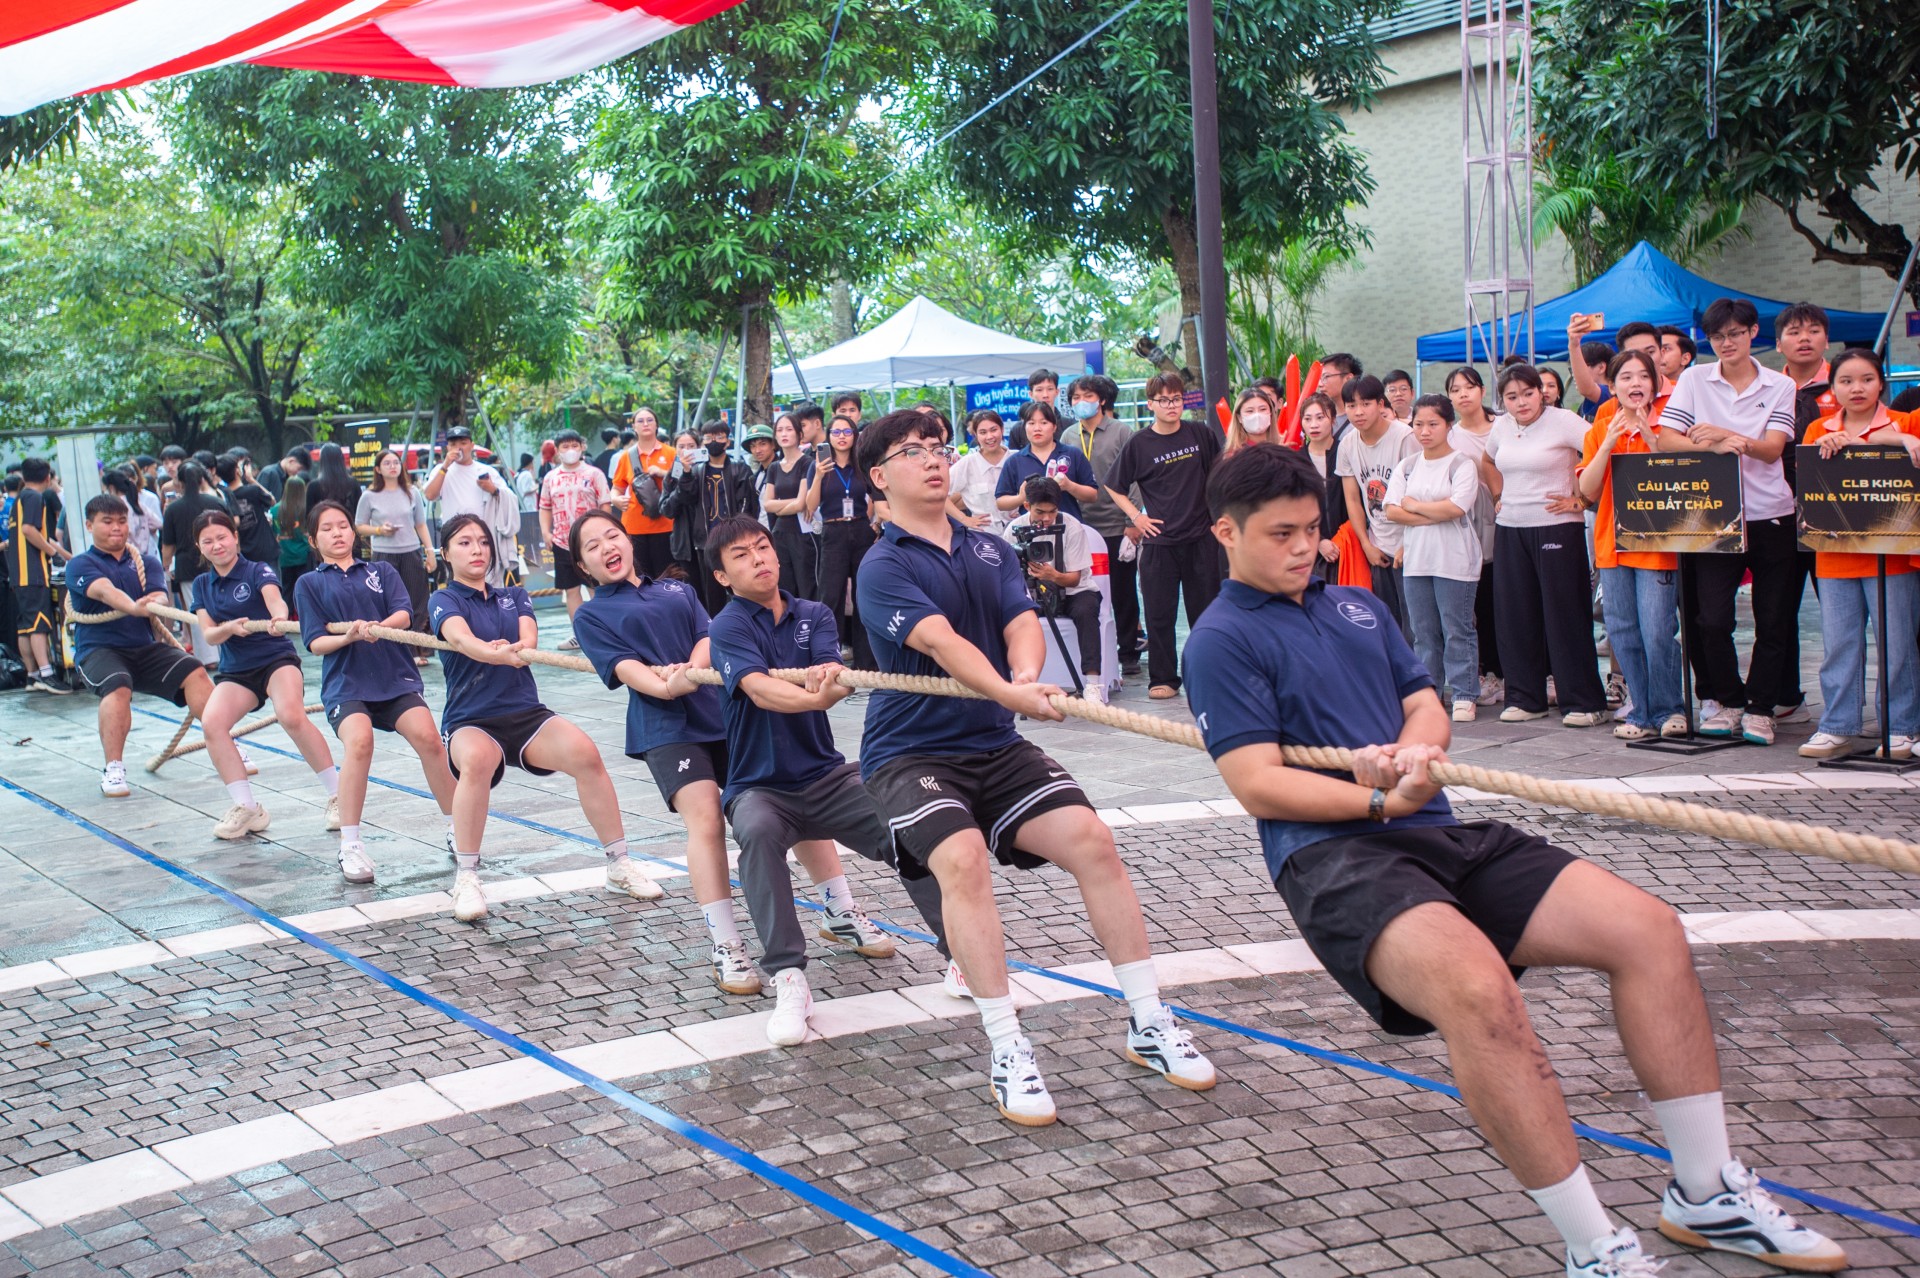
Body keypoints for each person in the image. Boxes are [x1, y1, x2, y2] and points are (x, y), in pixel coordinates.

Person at [1184, 442, 1847, 1278]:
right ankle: (1594, 1248)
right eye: (1281, 534)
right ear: (1225, 533)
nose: (1303, 549)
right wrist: (1382, 798)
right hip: (1338, 858)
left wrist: (1414, 759)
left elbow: (1423, 702)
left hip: (1437, 829)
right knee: (1480, 995)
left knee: (1649, 931)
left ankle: (1707, 1194)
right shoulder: (1219, 639)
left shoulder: (1359, 607)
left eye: (1313, 530)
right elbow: (1256, 784)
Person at [854, 409, 1215, 1126]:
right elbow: (944, 645)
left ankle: (1147, 1022)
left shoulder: (987, 547)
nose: (931, 460)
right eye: (910, 452)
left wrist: (1026, 673)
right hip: (911, 754)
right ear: (879, 476)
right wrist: (1013, 689)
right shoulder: (883, 565)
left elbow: (1019, 621)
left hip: (995, 744)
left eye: (937, 447)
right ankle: (1007, 1044)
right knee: (961, 860)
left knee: (1093, 843)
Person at [702, 515, 956, 1044]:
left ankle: (962, 953)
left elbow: (830, 673)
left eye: (763, 547)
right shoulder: (727, 625)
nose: (759, 559)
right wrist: (816, 696)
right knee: (757, 834)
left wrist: (826, 686)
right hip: (759, 787)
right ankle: (789, 978)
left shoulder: (814, 612)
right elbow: (761, 691)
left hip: (826, 775)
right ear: (723, 576)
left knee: (909, 830)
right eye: (742, 556)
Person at [426, 513, 661, 921]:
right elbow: (460, 638)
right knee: (477, 760)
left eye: (482, 541)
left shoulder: (513, 596)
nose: (477, 549)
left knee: (586, 754)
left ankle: (619, 863)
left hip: (526, 714)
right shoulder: (443, 600)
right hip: (470, 718)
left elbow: (528, 640)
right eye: (464, 543)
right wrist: (490, 651)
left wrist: (511, 649)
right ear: (445, 553)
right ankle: (466, 877)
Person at [569, 509, 755, 994]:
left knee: (782, 801)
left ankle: (840, 907)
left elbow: (705, 638)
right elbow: (630, 671)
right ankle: (726, 943)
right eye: (592, 546)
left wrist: (689, 671)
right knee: (707, 820)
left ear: (629, 542)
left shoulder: (679, 589)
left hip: (723, 713)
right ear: (584, 567)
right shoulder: (591, 615)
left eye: (612, 535)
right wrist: (668, 684)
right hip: (665, 726)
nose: (607, 546)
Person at [1657, 298, 1802, 744]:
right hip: (1713, 518)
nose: (1726, 343)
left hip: (1771, 513)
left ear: (1752, 333)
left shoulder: (1779, 385)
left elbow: (1773, 448)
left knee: (1774, 618)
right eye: (1717, 336)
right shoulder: (1696, 379)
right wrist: (1711, 448)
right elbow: (1665, 440)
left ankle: (1762, 708)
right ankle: (1729, 700)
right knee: (1711, 620)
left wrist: (1724, 435)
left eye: (1735, 334)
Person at [294, 500, 457, 885]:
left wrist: (376, 627)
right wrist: (349, 635)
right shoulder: (310, 583)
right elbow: (315, 642)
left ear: (354, 531)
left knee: (430, 739)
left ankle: (457, 825)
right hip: (346, 684)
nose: (337, 533)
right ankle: (350, 845)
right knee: (360, 743)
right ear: (314, 540)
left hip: (394, 677)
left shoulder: (381, 571)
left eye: (343, 526)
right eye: (327, 529)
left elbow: (403, 614)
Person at [1797, 349, 1920, 761]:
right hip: (1835, 555)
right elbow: (1808, 487)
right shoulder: (1817, 429)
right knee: (1839, 644)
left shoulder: (1906, 423)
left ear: (1881, 383)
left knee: (1897, 644)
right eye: (1846, 381)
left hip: (1894, 557)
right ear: (1834, 389)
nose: (1857, 388)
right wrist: (1833, 445)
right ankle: (1837, 725)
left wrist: (1890, 438)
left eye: (1866, 379)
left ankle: (1901, 727)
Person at [189, 510, 340, 840]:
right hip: (236, 671)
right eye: (208, 541)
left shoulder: (258, 570)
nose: (217, 545)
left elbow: (277, 604)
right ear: (200, 547)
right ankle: (247, 808)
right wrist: (228, 628)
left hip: (275, 659)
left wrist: (276, 619)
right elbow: (209, 635)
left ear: (236, 537)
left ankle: (339, 795)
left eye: (222, 537)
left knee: (291, 716)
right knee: (212, 723)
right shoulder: (202, 584)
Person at [1483, 364, 1609, 727]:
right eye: (1511, 396)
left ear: (1542, 392)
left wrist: (1581, 501)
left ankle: (1584, 701)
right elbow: (1488, 461)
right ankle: (1525, 697)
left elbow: (1600, 453)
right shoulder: (1503, 426)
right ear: (1503, 400)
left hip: (1557, 527)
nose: (1521, 402)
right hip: (1510, 529)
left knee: (1564, 615)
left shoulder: (1564, 421)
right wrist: (1497, 495)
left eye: (1527, 393)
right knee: (1515, 616)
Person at [67, 495, 215, 797]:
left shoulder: (145, 561)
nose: (116, 528)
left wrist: (156, 602)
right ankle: (114, 768)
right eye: (107, 522)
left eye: (121, 521)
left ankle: (226, 742)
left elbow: (160, 594)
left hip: (143, 648)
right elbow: (105, 592)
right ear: (89, 525)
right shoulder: (80, 564)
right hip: (98, 650)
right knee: (118, 684)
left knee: (194, 670)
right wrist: (135, 607)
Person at [1576, 349, 1687, 742]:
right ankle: (1640, 710)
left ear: (1655, 384)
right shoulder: (1600, 426)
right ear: (1613, 385)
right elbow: (1586, 491)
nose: (1635, 383)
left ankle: (1670, 707)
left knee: (1658, 630)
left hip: (1656, 545)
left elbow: (1676, 479)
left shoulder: (1670, 424)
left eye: (1643, 376)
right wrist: (1608, 442)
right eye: (1626, 377)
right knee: (1623, 632)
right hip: (1611, 544)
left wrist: (1652, 438)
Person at [1101, 371, 1223, 698]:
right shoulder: (1140, 443)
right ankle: (1164, 679)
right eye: (1164, 400)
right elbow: (1114, 486)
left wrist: (1219, 519)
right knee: (1159, 615)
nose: (1172, 405)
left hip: (1201, 539)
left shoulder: (1201, 434)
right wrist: (1137, 517)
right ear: (1151, 403)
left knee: (1206, 613)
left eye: (1177, 398)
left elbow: (1220, 476)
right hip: (1159, 543)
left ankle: (1208, 675)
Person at [1384, 396, 1482, 721]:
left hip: (1455, 559)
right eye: (1418, 424)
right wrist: (1430, 513)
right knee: (1423, 630)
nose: (1424, 431)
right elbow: (1391, 509)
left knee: (1457, 628)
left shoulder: (1461, 463)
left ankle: (1465, 693)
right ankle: (1429, 694)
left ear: (1448, 425)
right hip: (1417, 560)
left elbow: (1456, 508)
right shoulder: (1408, 465)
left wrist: (1414, 505)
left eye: (1433, 424)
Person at [1004, 477, 1108, 703]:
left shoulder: (1071, 526)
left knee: (1086, 609)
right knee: (1005, 613)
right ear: (1027, 506)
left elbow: (1075, 579)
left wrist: (1053, 575)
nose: (1047, 519)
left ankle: (1092, 684)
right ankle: (1014, 682)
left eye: (1052, 512)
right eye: (1040, 512)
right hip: (1030, 592)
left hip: (1073, 590)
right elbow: (1007, 577)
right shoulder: (1014, 529)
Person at [1062, 374, 1141, 672]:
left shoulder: (1122, 432)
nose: (1081, 403)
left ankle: (1129, 651)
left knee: (1122, 590)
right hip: (1080, 527)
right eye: (1076, 398)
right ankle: (1093, 651)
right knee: (1086, 591)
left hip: (1116, 525)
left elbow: (1135, 478)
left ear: (1102, 399)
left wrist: (1131, 519)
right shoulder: (1068, 435)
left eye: (1088, 396)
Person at [1334, 376, 1418, 638]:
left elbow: (1419, 493)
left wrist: (1409, 543)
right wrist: (1367, 544)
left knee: (1416, 623)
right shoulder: (1348, 444)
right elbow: (1352, 498)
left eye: (1366, 404)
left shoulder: (1405, 438)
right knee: (1388, 620)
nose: (1358, 412)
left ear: (1381, 404)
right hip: (1379, 544)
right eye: (1351, 405)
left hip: (1413, 543)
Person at [1446, 368, 1505, 706]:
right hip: (1470, 530)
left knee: (1506, 600)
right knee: (1478, 602)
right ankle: (1489, 673)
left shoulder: (1504, 427)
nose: (1463, 394)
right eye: (1456, 390)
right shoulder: (1449, 436)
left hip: (1507, 519)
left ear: (1482, 391)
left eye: (1469, 387)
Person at [803, 415, 875, 667]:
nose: (842, 436)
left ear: (855, 435)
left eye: (847, 431)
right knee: (830, 596)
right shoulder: (818, 465)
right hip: (832, 533)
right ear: (828, 436)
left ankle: (867, 661)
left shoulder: (861, 464)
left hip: (860, 530)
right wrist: (820, 477)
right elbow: (809, 507)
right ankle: (828, 658)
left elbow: (874, 495)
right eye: (836, 432)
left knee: (863, 596)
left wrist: (868, 522)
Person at [665, 420, 757, 616]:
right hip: (705, 542)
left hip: (733, 539)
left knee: (740, 587)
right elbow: (684, 499)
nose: (714, 441)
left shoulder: (740, 469)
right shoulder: (696, 471)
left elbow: (747, 505)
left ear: (728, 441)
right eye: (708, 437)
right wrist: (686, 472)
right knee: (711, 592)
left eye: (719, 437)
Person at [354, 450, 437, 664]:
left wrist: (429, 551)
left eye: (396, 462)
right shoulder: (369, 496)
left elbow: (420, 524)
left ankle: (418, 649)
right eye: (387, 463)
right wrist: (380, 530)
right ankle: (391, 648)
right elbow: (359, 526)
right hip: (383, 554)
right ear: (377, 469)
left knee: (417, 599)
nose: (393, 466)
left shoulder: (412, 492)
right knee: (386, 601)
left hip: (410, 551)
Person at [537, 429, 612, 635]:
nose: (570, 450)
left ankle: (605, 631)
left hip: (591, 541)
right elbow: (545, 507)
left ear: (582, 447)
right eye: (565, 447)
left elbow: (605, 505)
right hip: (561, 541)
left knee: (596, 587)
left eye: (574, 446)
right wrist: (546, 532)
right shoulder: (551, 477)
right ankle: (580, 634)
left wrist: (603, 531)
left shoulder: (594, 474)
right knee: (571, 590)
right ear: (558, 451)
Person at [159, 461, 229, 665]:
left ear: (179, 483)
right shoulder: (215, 502)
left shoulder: (174, 509)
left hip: (187, 567)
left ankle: (208, 658)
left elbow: (168, 547)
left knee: (198, 613)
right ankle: (226, 654)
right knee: (222, 608)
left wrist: (165, 567)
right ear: (201, 480)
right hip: (219, 563)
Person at [12, 457, 72, 693]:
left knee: (26, 626)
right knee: (39, 624)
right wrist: (49, 553)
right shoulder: (35, 497)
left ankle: (32, 674)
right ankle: (46, 674)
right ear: (48, 477)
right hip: (33, 571)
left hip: (20, 572)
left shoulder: (21, 497)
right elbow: (29, 531)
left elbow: (38, 533)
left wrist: (66, 555)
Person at [424, 426, 506, 584]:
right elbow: (429, 495)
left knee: (488, 580)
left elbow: (508, 499)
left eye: (463, 442)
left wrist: (492, 489)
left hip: (483, 535)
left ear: (472, 445)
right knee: (459, 579)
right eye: (453, 444)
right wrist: (445, 466)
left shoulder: (486, 470)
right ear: (447, 448)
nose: (459, 448)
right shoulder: (441, 470)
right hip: (456, 536)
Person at [609, 406, 680, 579]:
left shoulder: (671, 453)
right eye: (640, 421)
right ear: (633, 427)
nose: (645, 424)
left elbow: (684, 483)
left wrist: (664, 473)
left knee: (669, 576)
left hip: (667, 525)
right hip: (634, 526)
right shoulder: (626, 457)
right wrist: (616, 499)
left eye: (650, 420)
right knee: (640, 576)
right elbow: (617, 487)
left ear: (656, 425)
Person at [995, 401, 1099, 519]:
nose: (1037, 428)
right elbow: (1000, 503)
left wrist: (1070, 486)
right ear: (1025, 427)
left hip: (1069, 527)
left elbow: (1093, 495)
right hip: (1031, 531)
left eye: (1044, 423)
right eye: (1031, 423)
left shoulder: (1073, 454)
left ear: (1054, 427)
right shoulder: (1014, 460)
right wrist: (1021, 497)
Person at [758, 417, 818, 599]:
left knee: (807, 587)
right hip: (780, 533)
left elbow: (802, 503)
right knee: (785, 588)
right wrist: (787, 505)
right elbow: (767, 504)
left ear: (799, 434)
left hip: (803, 534)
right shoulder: (774, 467)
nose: (784, 434)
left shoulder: (807, 463)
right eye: (780, 430)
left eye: (789, 429)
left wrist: (779, 507)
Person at [1299, 393, 1347, 580]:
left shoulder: (1346, 452)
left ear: (1333, 420)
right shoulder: (1296, 460)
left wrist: (1343, 539)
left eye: (1320, 417)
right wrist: (1318, 541)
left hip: (1348, 544)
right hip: (1310, 550)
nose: (1314, 424)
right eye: (1308, 419)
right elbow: (1295, 509)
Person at [949, 410, 1011, 536]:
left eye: (994, 430)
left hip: (1017, 534)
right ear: (975, 435)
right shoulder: (967, 463)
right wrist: (963, 519)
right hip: (983, 536)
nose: (989, 437)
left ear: (1002, 429)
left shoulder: (1016, 458)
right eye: (983, 432)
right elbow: (940, 495)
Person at [270, 475, 313, 607]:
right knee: (305, 590)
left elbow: (272, 533)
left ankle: (286, 621)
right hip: (304, 555)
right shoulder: (307, 509)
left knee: (286, 590)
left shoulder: (275, 510)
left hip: (284, 556)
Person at [303, 441, 362, 518]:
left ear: (322, 461)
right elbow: (359, 511)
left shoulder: (314, 486)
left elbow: (309, 516)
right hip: (348, 526)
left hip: (324, 527)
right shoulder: (353, 483)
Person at [1223, 387, 1277, 455]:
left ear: (1271, 413)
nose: (1257, 415)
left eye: (1263, 409)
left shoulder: (1282, 446)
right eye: (1250, 411)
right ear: (1239, 417)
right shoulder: (1234, 454)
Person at [1319, 353, 1361, 436]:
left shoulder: (1361, 417)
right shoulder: (1322, 417)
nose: (1320, 384)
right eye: (1319, 378)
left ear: (1348, 378)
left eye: (1326, 377)